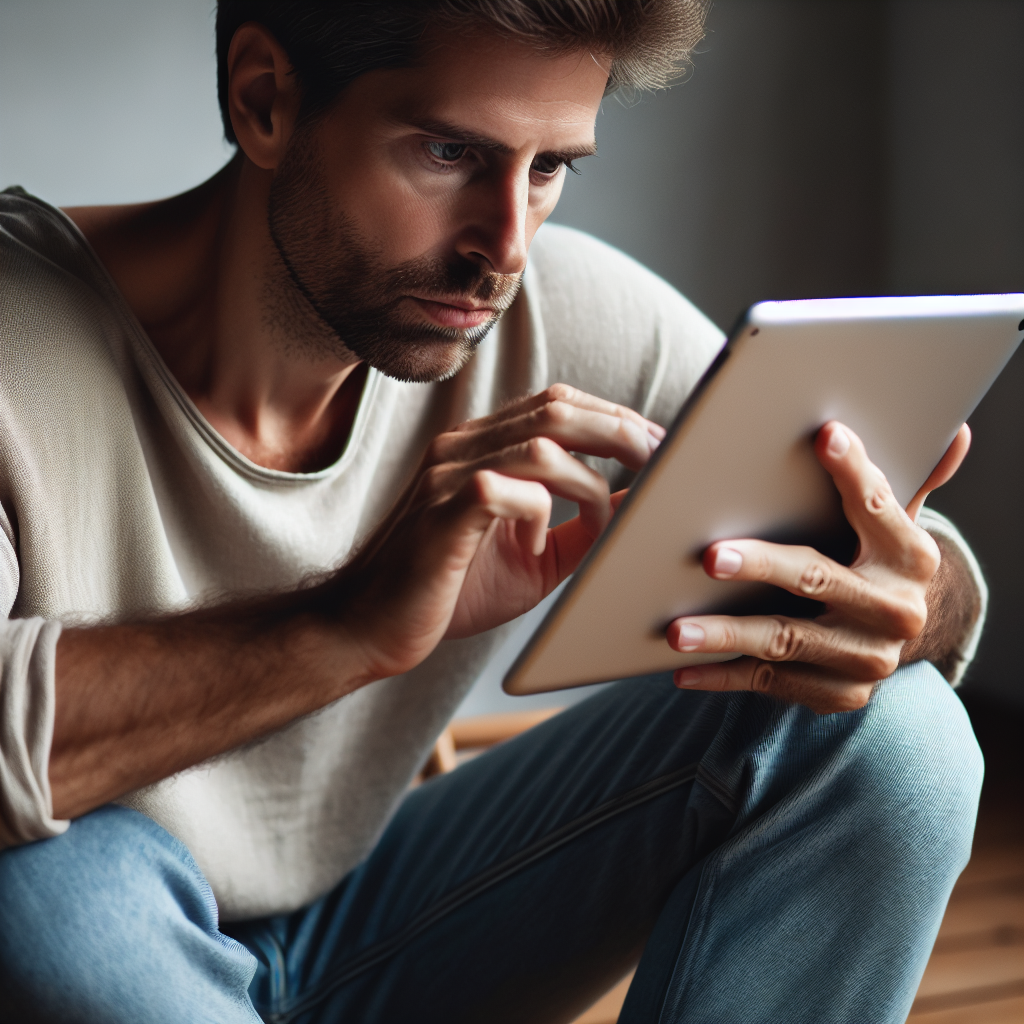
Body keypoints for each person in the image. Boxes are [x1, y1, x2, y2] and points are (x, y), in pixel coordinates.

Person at [0, 2, 986, 1021]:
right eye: (446, 152)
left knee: (898, 733)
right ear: (264, 101)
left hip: (374, 921)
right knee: (42, 889)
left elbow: (921, 559)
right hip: (99, 940)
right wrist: (346, 624)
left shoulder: (560, 313)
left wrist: (910, 598)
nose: (504, 246)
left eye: (551, 167)